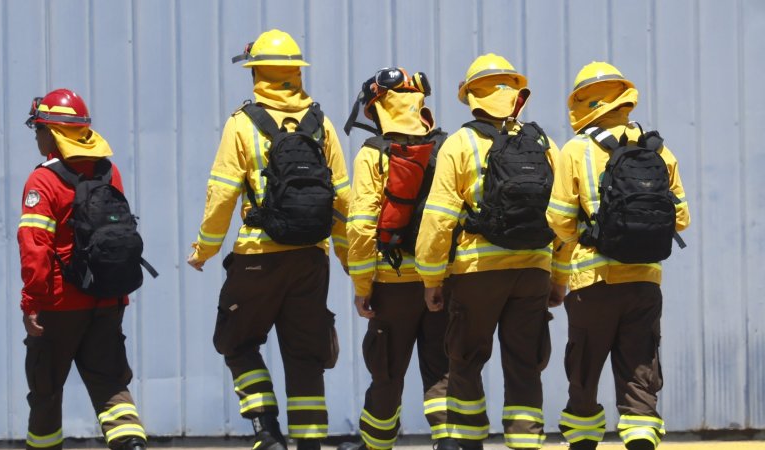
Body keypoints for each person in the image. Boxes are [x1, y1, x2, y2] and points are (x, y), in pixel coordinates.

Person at [187, 29, 350, 450]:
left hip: (258, 257)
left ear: (256, 71)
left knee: (236, 341)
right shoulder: (322, 123)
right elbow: (345, 200)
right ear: (297, 72)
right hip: (312, 259)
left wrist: (204, 249)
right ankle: (310, 442)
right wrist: (355, 267)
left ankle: (267, 431)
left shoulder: (242, 124)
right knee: (306, 356)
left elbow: (222, 192)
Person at [414, 54, 571, 450]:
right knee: (524, 365)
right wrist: (559, 276)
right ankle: (525, 442)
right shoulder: (543, 142)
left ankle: (468, 443)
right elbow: (565, 216)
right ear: (516, 94)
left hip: (476, 272)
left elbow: (437, 220)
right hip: (534, 270)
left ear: (471, 97)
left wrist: (432, 278)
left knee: (465, 362)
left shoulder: (460, 143)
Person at [547, 61, 691, 450]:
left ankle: (582, 440)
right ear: (624, 97)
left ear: (581, 102)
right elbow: (681, 218)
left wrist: (589, 234)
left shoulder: (575, 149)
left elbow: (558, 220)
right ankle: (642, 436)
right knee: (640, 370)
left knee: (584, 370)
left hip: (591, 284)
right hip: (644, 282)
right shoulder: (658, 148)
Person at [18, 89, 147, 450]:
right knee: (111, 384)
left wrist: (31, 304)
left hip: (59, 305)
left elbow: (34, 250)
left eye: (37, 129)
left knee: (46, 390)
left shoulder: (42, 181)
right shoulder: (109, 171)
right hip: (108, 300)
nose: (36, 137)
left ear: (51, 132)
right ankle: (132, 444)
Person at [338, 67, 449, 450]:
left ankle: (376, 444)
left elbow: (360, 225)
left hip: (391, 285)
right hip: (440, 284)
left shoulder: (374, 153)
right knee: (442, 370)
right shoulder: (446, 147)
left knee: (386, 372)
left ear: (377, 108)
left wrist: (362, 285)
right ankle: (450, 442)